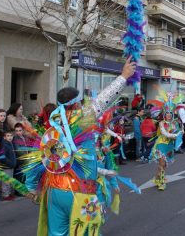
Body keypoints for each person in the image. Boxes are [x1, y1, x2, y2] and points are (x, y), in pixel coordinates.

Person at [20, 56, 136, 235]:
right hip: (79, 192)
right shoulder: (82, 120)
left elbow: (39, 158)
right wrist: (123, 76)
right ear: (76, 103)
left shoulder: (52, 127)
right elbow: (104, 100)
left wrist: (29, 187)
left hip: (54, 192)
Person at [149, 88, 183, 191]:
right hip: (160, 145)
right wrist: (175, 135)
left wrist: (181, 131)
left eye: (170, 113)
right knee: (162, 163)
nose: (168, 115)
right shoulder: (161, 123)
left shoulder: (175, 123)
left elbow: (180, 131)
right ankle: (162, 182)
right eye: (167, 113)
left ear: (172, 114)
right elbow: (164, 133)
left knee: (163, 165)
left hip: (169, 146)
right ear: (164, 114)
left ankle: (157, 178)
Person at [0, 130, 17, 201]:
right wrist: (10, 163)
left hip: (11, 166)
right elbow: (2, 157)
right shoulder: (4, 145)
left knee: (9, 180)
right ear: (4, 137)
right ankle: (5, 195)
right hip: (6, 166)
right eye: (8, 136)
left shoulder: (10, 144)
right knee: (5, 181)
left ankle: (9, 193)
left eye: (11, 136)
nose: (10, 137)